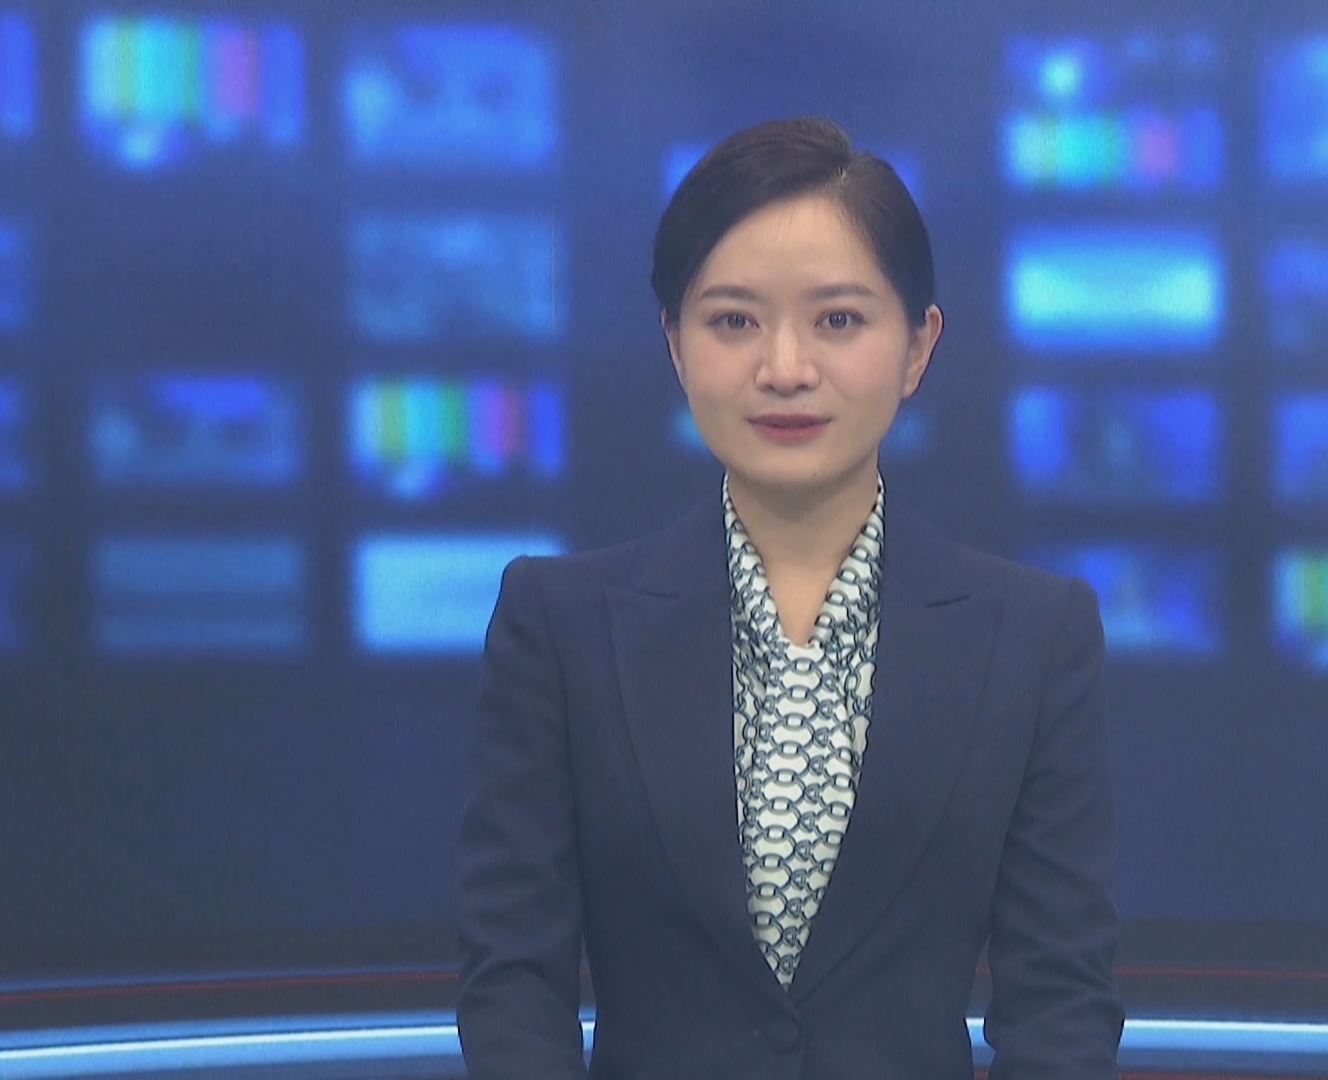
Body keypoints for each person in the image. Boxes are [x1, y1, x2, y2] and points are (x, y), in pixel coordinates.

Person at [455, 116, 1123, 1080]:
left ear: (919, 346)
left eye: (838, 321)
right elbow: (514, 980)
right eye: (734, 321)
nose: (785, 369)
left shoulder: (1034, 637)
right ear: (675, 345)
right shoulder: (558, 625)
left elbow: (1061, 1001)